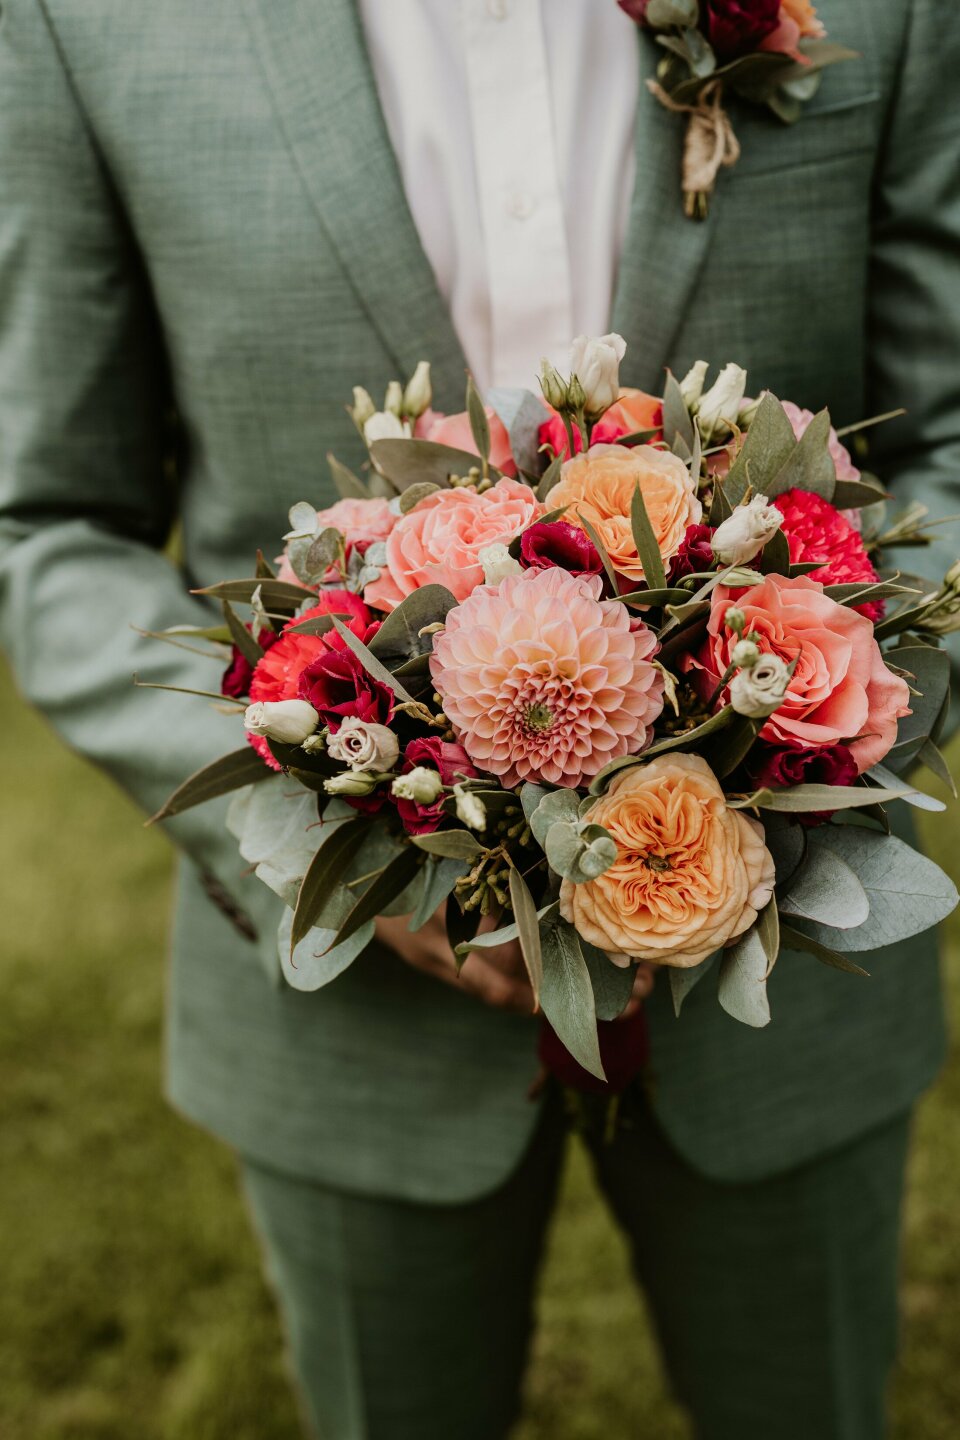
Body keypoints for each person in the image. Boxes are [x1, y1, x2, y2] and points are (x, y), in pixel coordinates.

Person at [1, 2, 957, 1437]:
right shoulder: (89, 23)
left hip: (787, 989)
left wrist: (819, 732)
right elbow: (56, 524)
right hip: (356, 1020)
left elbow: (944, 437)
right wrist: (317, 806)